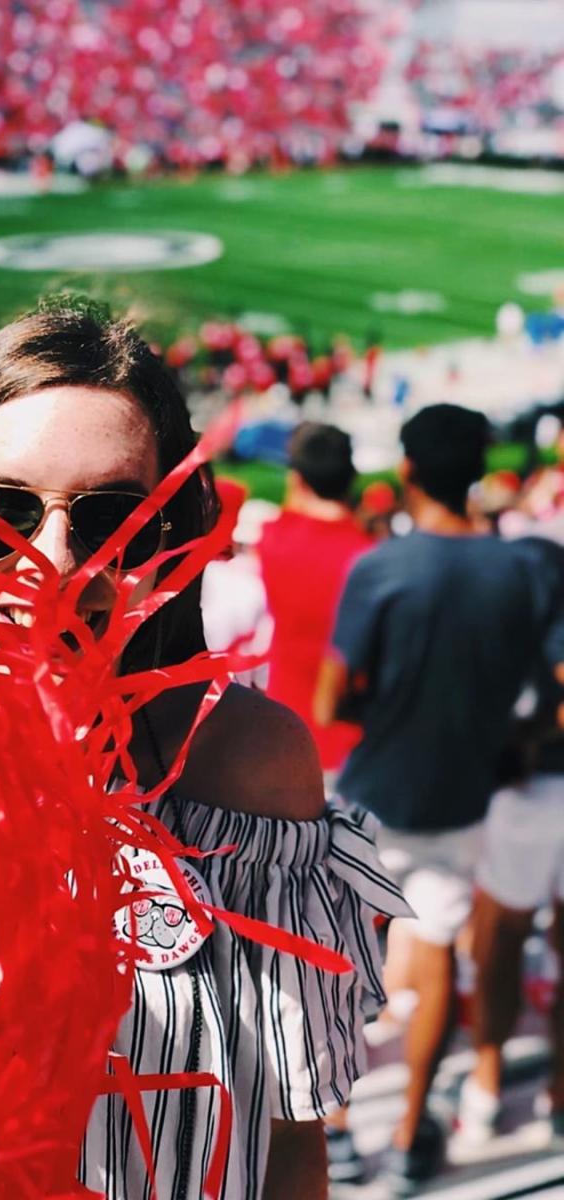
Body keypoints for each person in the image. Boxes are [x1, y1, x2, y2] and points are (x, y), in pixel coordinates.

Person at [0, 299, 408, 1200]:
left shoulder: (244, 769)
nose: (51, 560)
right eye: (0, 509)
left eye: (109, 518)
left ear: (168, 543)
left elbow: (288, 1141)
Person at [315, 403, 546, 1193]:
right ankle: (413, 1125)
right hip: (462, 790)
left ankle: (340, 1123)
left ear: (407, 471)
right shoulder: (521, 567)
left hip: (379, 784)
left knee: (346, 953)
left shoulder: (382, 566)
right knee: (440, 948)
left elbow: (331, 698)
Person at [462, 533, 564, 1142]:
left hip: (529, 795)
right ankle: (553, 1085)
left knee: (501, 941)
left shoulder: (519, 623)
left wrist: (522, 740)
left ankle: (488, 1074)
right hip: (530, 794)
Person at [257, 423, 372, 785]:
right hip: (351, 738)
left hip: (285, 731)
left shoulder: (273, 539)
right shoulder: (369, 556)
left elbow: (289, 511)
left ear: (297, 479)